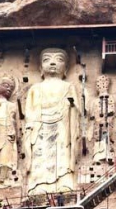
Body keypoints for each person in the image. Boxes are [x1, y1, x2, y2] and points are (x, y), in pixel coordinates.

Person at [22, 48, 80, 195]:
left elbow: (77, 110)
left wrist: (72, 106)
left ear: (66, 68)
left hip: (62, 124)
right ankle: (38, 186)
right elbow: (29, 111)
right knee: (39, 155)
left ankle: (64, 183)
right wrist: (31, 127)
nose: (53, 62)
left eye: (59, 59)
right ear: (41, 68)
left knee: (63, 154)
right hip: (40, 125)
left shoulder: (68, 86)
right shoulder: (35, 88)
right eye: (47, 59)